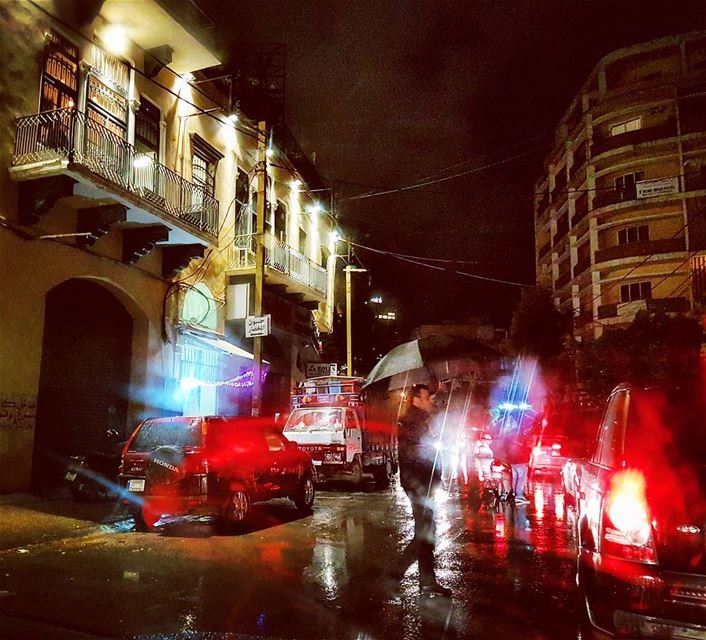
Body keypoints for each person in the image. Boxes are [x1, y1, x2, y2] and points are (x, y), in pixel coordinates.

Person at [390, 384, 452, 596]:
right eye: (427, 397)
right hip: (419, 486)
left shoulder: (421, 421)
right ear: (416, 398)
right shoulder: (411, 422)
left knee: (427, 532)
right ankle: (396, 574)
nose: (430, 401)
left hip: (424, 484)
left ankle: (427, 581)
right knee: (425, 533)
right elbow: (413, 456)